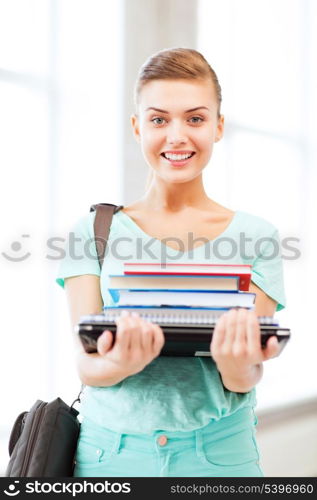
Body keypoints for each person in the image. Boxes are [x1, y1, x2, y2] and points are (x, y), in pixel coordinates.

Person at [56, 48, 285, 477]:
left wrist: (237, 366)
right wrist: (120, 363)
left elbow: (244, 375)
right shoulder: (91, 231)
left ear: (218, 127)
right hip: (109, 458)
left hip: (220, 457)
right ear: (137, 127)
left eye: (195, 119)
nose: (177, 136)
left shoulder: (259, 237)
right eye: (159, 119)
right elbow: (86, 364)